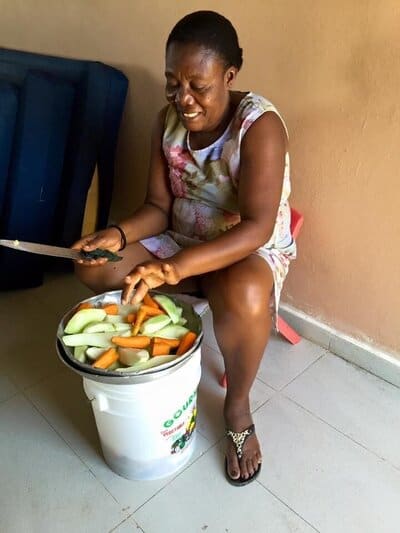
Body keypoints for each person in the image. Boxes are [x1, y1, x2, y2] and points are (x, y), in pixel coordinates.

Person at [73, 10, 296, 486]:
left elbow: (256, 228)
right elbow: (157, 205)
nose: (183, 98)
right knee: (96, 268)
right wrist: (118, 235)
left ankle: (237, 407)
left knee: (244, 293)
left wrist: (174, 269)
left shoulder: (259, 127)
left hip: (244, 253)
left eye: (198, 85)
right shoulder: (166, 123)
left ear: (229, 75)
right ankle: (165, 325)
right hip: (179, 241)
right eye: (173, 82)